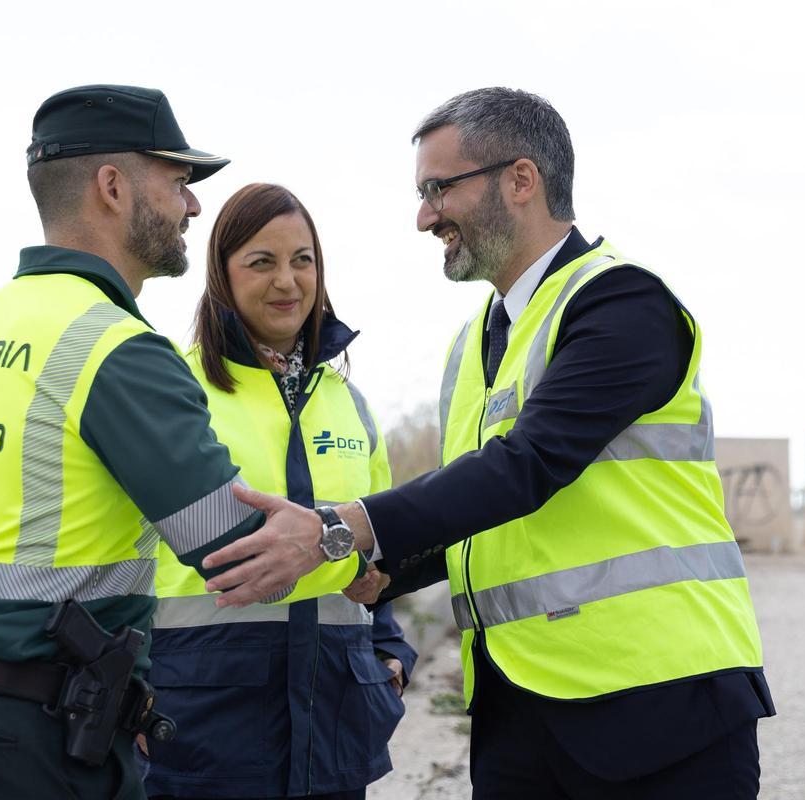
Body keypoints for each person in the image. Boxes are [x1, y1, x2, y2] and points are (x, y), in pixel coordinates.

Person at [200, 88, 776, 799]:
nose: (423, 217)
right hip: (520, 709)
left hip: (659, 702)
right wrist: (389, 572)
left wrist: (338, 530)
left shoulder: (623, 304)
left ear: (521, 179)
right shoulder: (472, 345)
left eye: (439, 189)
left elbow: (526, 467)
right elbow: (479, 513)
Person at [0, 85, 347, 800]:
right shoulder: (114, 349)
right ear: (111, 187)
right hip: (43, 746)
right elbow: (230, 550)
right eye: (177, 182)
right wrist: (355, 541)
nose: (192, 206)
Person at [144, 183, 415, 800]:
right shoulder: (174, 390)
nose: (287, 282)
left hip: (337, 723)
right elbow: (121, 552)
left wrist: (392, 654)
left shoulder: (350, 404)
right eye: (261, 262)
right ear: (222, 275)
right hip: (202, 727)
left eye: (303, 260)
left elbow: (381, 550)